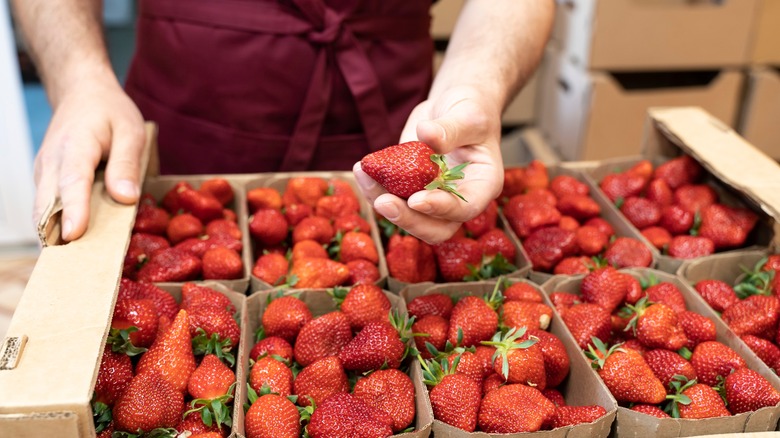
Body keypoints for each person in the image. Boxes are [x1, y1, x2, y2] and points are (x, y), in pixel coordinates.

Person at [12, 0, 554, 244]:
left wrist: (473, 87)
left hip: (399, 128)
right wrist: (79, 77)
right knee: (176, 240)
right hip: (181, 121)